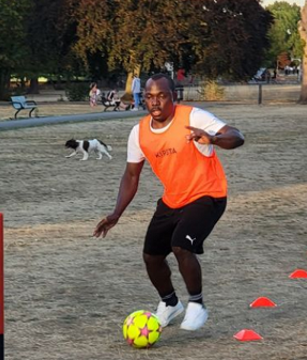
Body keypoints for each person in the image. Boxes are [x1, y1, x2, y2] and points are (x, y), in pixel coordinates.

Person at [93, 73, 244, 331]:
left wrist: (214, 139)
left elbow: (237, 135)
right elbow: (131, 175)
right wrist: (117, 212)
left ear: (172, 97)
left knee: (181, 246)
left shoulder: (193, 118)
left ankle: (197, 304)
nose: (155, 102)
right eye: (150, 97)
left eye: (162, 96)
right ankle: (170, 303)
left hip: (208, 195)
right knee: (151, 256)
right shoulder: (138, 132)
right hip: (173, 199)